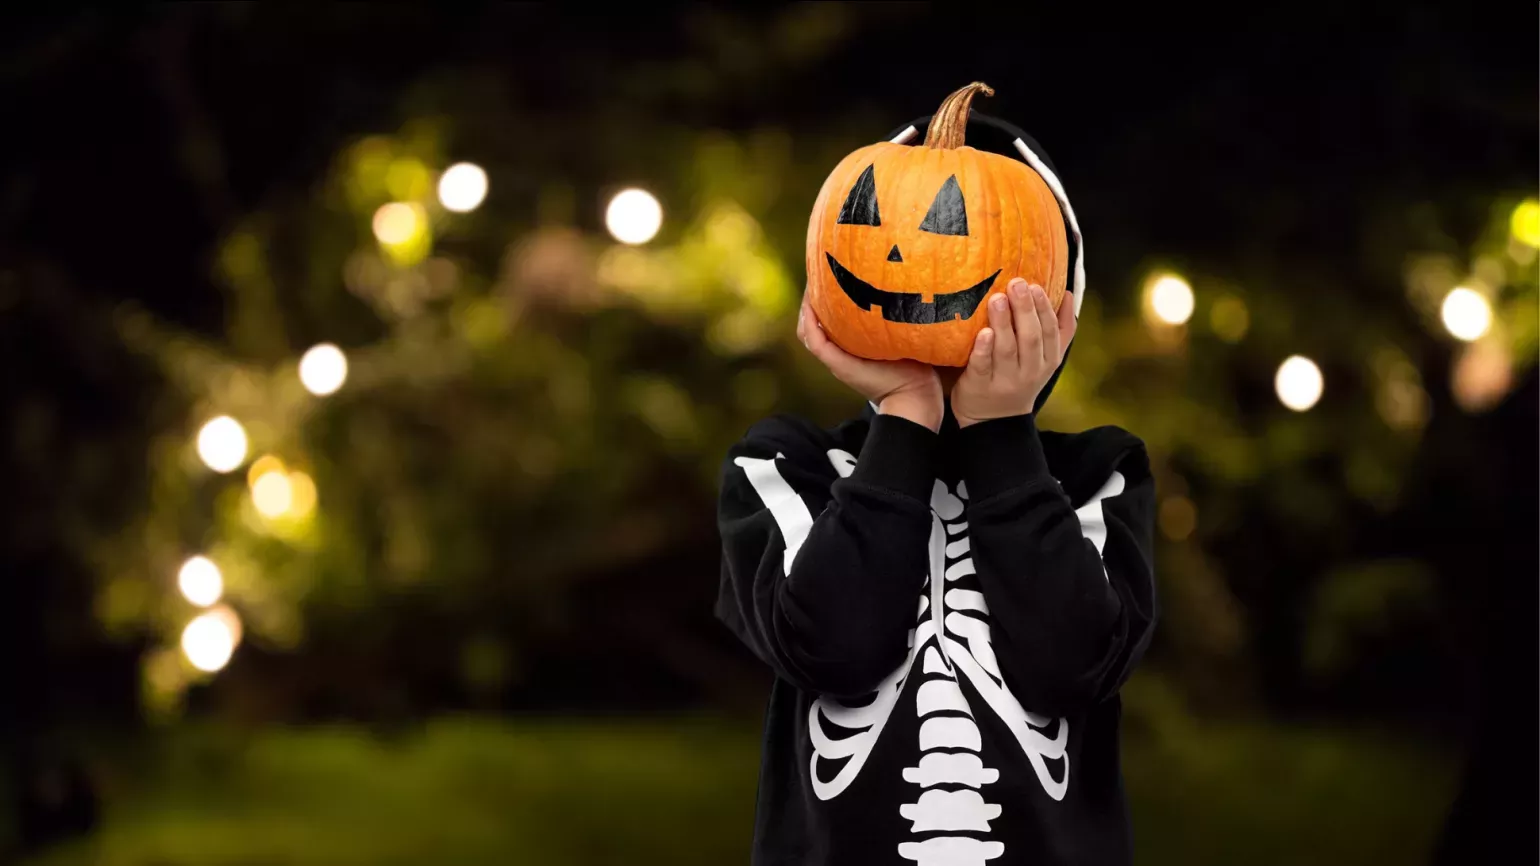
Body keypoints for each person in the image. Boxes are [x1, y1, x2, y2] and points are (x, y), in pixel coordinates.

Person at [714, 111, 1158, 866]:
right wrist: (907, 417)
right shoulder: (787, 467)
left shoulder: (1098, 475)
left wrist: (1000, 436)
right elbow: (833, 649)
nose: (903, 253)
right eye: (867, 216)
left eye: (961, 224)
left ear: (1062, 296)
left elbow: (1072, 662)